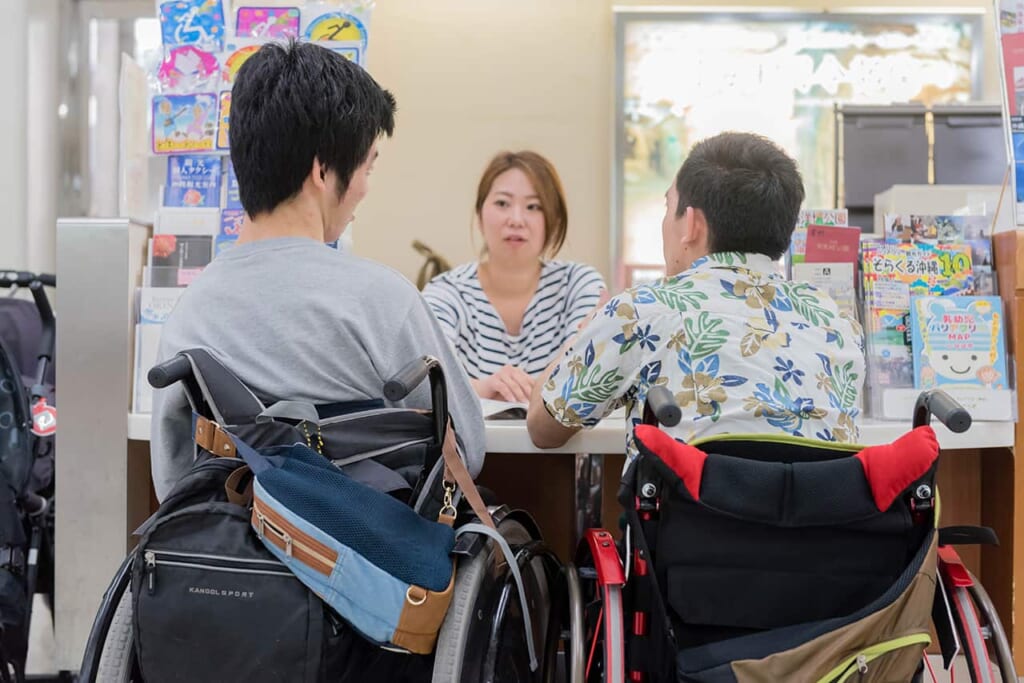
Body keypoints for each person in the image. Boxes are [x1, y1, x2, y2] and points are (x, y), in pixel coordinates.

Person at [151, 41, 485, 501]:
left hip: (228, 563)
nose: (365, 188)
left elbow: (172, 478)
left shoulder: (192, 312)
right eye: (366, 166)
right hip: (374, 562)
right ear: (323, 171)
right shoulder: (382, 300)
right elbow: (465, 449)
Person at [526, 132, 866, 462]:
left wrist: (582, 336)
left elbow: (544, 428)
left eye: (668, 205)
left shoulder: (641, 312)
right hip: (820, 520)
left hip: (685, 520)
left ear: (691, 224)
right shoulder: (836, 322)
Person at [422, 151, 606, 403]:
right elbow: (429, 385)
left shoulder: (579, 284)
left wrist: (469, 391)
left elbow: (583, 379)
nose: (516, 220)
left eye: (533, 207)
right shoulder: (445, 292)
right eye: (502, 204)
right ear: (479, 215)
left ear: (554, 219)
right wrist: (484, 388)